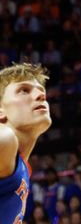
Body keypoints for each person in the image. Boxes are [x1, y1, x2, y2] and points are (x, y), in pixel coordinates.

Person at [0, 63, 52, 224]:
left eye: (41, 91)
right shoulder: (5, 138)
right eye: (24, 90)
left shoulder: (20, 166)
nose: (41, 95)